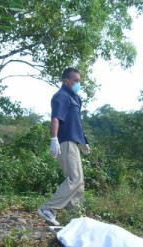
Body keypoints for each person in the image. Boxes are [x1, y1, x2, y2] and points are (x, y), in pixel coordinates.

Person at [37, 68, 90, 226]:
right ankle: (48, 208)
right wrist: (54, 139)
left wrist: (83, 141)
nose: (78, 83)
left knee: (79, 183)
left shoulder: (75, 98)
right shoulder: (61, 96)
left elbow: (76, 123)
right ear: (65, 81)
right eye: (75, 80)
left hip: (74, 142)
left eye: (79, 80)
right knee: (75, 178)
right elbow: (56, 118)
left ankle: (75, 217)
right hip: (65, 142)